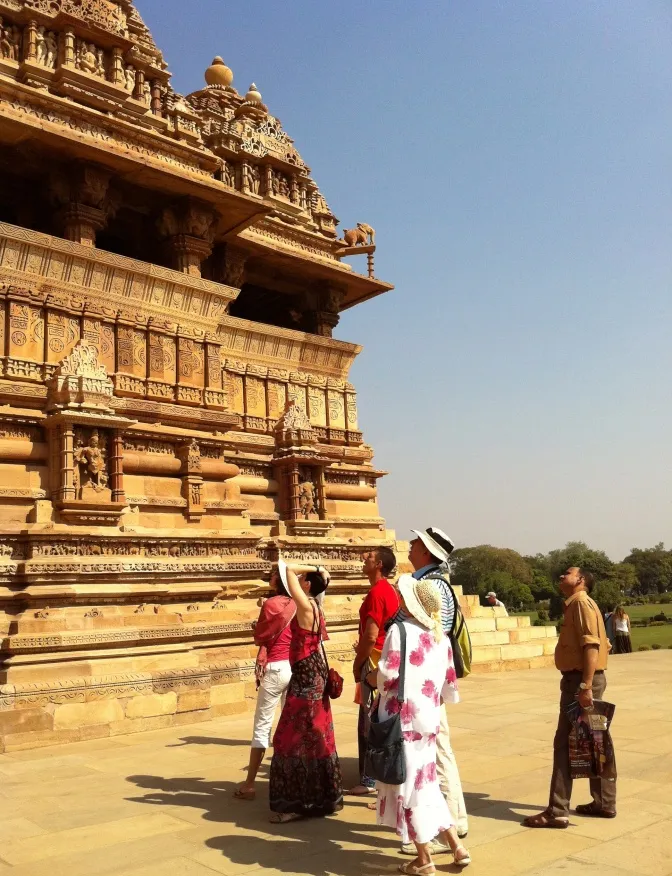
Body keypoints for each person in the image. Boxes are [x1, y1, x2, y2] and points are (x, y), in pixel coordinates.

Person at [369, 574, 471, 871]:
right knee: (426, 784)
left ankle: (424, 858)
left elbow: (387, 676)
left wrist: (370, 677)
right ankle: (456, 845)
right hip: (428, 718)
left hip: (400, 721)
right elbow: (449, 686)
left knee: (408, 787)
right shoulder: (441, 637)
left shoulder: (399, 631)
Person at [524, 566, 615, 828]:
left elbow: (592, 646)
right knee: (595, 740)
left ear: (581, 580)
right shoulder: (582, 604)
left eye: (568, 573)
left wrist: (585, 685)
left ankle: (557, 810)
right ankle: (604, 802)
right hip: (585, 679)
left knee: (565, 743)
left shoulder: (580, 604)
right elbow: (604, 644)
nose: (562, 576)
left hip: (580, 682)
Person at [399, 527, 468, 850]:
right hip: (430, 678)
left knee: (435, 752)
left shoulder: (431, 586)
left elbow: (433, 632)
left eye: (415, 543)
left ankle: (447, 826)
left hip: (425, 680)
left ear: (426, 552)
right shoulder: (432, 582)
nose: (410, 546)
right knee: (439, 749)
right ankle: (455, 819)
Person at [268, 560, 343, 823]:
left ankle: (294, 804)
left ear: (308, 585)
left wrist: (313, 567)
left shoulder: (306, 606)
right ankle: (320, 798)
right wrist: (319, 571)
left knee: (292, 737)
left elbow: (288, 569)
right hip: (314, 671)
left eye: (303, 581)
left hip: (306, 675)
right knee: (316, 733)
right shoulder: (316, 606)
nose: (298, 582)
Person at [234, 567, 295, 801]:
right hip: (293, 666)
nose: (269, 577)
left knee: (262, 726)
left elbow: (261, 636)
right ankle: (289, 779)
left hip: (274, 668)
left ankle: (249, 783)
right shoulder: (299, 603)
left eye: (273, 574)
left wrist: (258, 625)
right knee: (289, 725)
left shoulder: (271, 604)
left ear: (278, 580)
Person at [348, 546, 400, 797]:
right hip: (385, 657)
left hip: (374, 658)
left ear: (379, 565)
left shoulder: (377, 593)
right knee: (380, 715)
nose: (363, 559)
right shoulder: (389, 591)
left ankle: (369, 778)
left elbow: (370, 636)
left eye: (369, 557)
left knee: (368, 719)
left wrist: (357, 663)